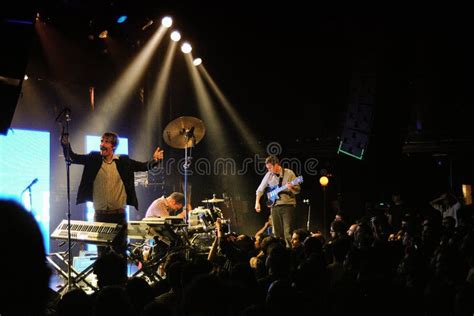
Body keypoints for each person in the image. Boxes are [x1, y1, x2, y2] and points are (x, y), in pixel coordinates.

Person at [61, 131, 163, 259]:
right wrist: (65, 145)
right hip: (100, 215)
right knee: (102, 254)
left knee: (120, 253)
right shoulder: (93, 158)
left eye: (106, 142)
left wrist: (155, 160)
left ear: (113, 146)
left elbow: (143, 166)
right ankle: (103, 278)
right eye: (101, 141)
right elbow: (73, 157)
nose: (102, 144)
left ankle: (120, 278)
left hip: (118, 215)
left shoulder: (123, 161)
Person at [255, 155, 301, 247]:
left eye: (270, 168)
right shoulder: (269, 175)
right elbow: (260, 189)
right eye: (267, 168)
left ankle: (289, 252)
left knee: (288, 232)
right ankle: (278, 252)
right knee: (276, 233)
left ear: (276, 165)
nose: (269, 170)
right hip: (274, 206)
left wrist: (291, 187)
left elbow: (298, 190)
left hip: (287, 205)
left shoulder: (289, 173)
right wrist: (257, 202)